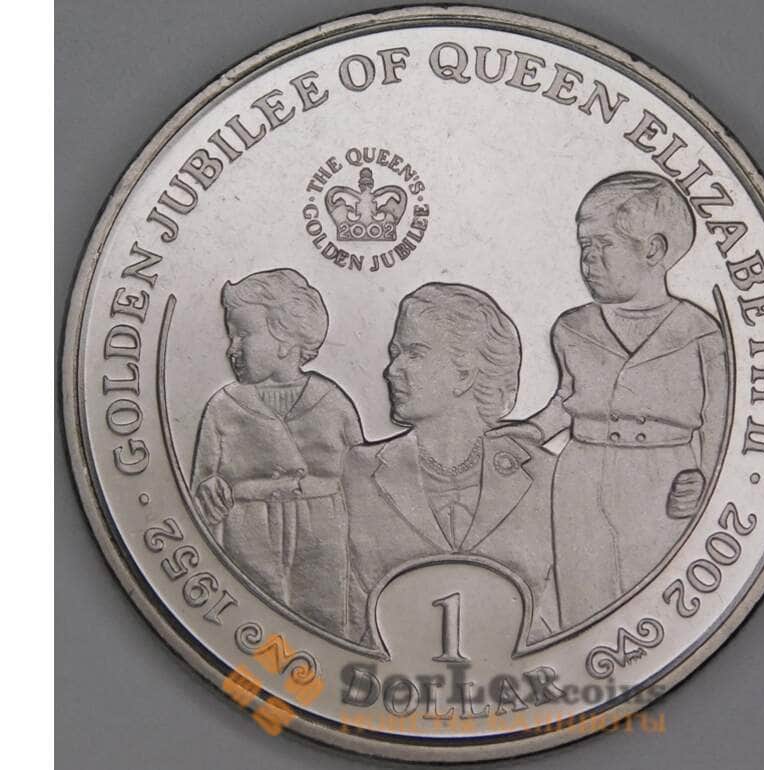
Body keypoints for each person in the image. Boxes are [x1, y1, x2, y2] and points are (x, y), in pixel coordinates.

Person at [495, 172, 728, 629]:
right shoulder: (571, 328)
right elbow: (566, 400)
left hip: (662, 482)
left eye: (604, 244)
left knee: (657, 605)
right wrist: (531, 432)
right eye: (584, 245)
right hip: (580, 480)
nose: (589, 259)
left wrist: (706, 479)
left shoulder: (700, 334)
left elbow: (718, 422)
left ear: (653, 251)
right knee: (583, 602)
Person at [342, 283, 559, 645]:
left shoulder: (546, 477)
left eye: (414, 353)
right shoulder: (357, 473)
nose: (392, 370)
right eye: (395, 353)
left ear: (464, 375)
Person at [191, 268, 363, 636]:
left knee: (324, 626)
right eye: (231, 336)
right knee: (252, 623)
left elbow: (363, 483)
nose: (231, 348)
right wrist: (209, 488)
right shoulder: (223, 407)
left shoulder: (333, 403)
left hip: (323, 539)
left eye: (243, 334)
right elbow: (201, 484)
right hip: (247, 533)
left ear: (285, 338)